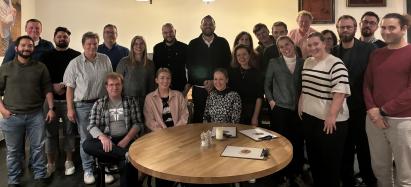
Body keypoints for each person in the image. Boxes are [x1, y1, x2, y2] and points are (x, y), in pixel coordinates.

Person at [0, 35, 55, 187]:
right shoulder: (5, 68)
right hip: (12, 116)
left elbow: (47, 88)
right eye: (23, 45)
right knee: (13, 151)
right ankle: (14, 179)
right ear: (16, 48)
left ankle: (40, 175)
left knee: (38, 148)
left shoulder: (40, 67)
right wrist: (3, 111)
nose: (26, 48)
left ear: (33, 48)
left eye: (29, 46)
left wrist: (51, 108)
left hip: (35, 115)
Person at [363, 13, 411, 187]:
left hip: (403, 121)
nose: (386, 31)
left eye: (392, 27)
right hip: (374, 120)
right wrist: (372, 110)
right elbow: (367, 84)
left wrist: (382, 110)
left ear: (403, 29)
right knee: (381, 170)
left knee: (406, 175)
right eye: (383, 27)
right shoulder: (376, 54)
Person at [298, 32, 350, 187]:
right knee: (314, 159)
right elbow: (305, 85)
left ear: (324, 44)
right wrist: (301, 102)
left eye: (316, 44)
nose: (313, 47)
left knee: (330, 163)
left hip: (330, 120)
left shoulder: (336, 63)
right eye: (310, 45)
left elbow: (340, 92)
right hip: (310, 117)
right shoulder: (307, 62)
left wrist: (331, 115)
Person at [331, 15, 377, 187]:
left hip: (362, 107)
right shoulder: (333, 51)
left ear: (355, 28)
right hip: (341, 109)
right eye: (342, 27)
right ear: (337, 29)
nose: (345, 30)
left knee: (365, 148)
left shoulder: (369, 49)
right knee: (345, 148)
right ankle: (348, 180)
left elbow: (374, 78)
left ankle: (369, 180)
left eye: (348, 27)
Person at [63, 32, 113, 185]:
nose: (92, 46)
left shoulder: (105, 59)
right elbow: (69, 89)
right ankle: (88, 169)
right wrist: (70, 109)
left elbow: (110, 82)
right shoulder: (75, 63)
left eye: (95, 43)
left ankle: (104, 167)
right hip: (83, 106)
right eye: (89, 43)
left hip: (103, 103)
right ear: (83, 45)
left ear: (98, 44)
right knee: (87, 138)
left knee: (105, 135)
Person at [83, 72, 142, 187]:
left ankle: (125, 156)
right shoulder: (99, 103)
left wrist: (127, 138)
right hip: (108, 141)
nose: (114, 87)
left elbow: (138, 123)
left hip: (126, 138)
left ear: (122, 85)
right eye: (111, 85)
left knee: (127, 164)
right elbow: (91, 125)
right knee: (87, 144)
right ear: (106, 87)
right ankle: (125, 155)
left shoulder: (131, 101)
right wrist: (103, 137)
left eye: (117, 84)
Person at [41, 27, 81, 176]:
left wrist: (65, 86)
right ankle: (50, 163)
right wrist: (53, 86)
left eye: (65, 36)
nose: (62, 38)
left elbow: (79, 78)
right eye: (59, 36)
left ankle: (68, 161)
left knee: (69, 132)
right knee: (50, 134)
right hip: (49, 101)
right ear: (54, 38)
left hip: (69, 101)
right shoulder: (45, 56)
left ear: (69, 39)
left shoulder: (77, 56)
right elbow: (41, 78)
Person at [264, 36, 304, 183]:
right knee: (281, 142)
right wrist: (272, 101)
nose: (285, 48)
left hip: (298, 110)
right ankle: (281, 173)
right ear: (278, 49)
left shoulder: (303, 62)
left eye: (287, 44)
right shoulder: (274, 63)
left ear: (293, 44)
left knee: (297, 142)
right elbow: (267, 85)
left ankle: (296, 172)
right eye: (281, 47)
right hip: (280, 109)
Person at [143, 68, 189, 186]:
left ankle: (182, 181)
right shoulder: (149, 98)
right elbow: (149, 120)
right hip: (159, 138)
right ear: (156, 80)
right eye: (162, 78)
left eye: (168, 78)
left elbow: (185, 115)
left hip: (178, 135)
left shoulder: (178, 95)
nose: (165, 80)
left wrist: (174, 130)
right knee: (163, 166)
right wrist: (165, 133)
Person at [186, 15, 231, 123]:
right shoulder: (193, 44)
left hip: (220, 88)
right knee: (199, 118)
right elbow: (190, 66)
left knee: (219, 118)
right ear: (200, 26)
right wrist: (204, 82)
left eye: (211, 24)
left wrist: (213, 81)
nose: (208, 26)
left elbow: (228, 65)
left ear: (215, 26)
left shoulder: (223, 42)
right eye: (205, 24)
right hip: (200, 89)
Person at [116, 35, 155, 109]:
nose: (139, 46)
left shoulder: (150, 64)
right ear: (132, 46)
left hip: (145, 101)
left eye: (141, 44)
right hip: (127, 101)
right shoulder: (124, 62)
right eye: (136, 44)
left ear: (145, 46)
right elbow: (117, 83)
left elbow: (152, 85)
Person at [229, 44, 262, 125]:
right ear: (235, 57)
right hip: (234, 111)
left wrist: (255, 117)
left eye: (244, 54)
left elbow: (259, 97)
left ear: (249, 55)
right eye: (238, 55)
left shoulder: (257, 73)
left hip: (251, 111)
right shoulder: (232, 72)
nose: (242, 57)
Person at [153, 23, 188, 92]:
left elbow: (190, 68)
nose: (168, 34)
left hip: (180, 88)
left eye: (171, 32)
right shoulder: (157, 48)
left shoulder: (184, 47)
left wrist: (187, 88)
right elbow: (155, 68)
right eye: (165, 33)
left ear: (175, 31)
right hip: (162, 88)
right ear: (162, 34)